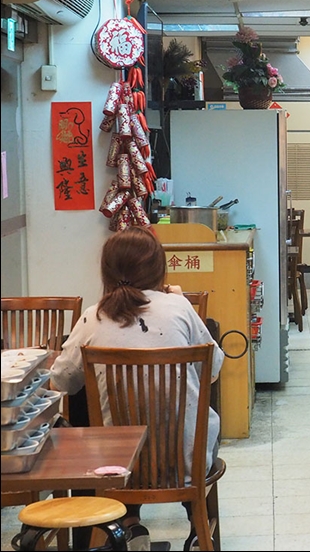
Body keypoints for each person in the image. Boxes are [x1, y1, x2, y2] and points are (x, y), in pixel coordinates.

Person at [51, 227, 224, 551]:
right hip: (186, 463)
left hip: (115, 469)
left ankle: (130, 525)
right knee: (186, 432)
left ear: (107, 271)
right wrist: (179, 297)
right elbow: (213, 368)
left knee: (115, 439)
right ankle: (196, 526)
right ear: (159, 268)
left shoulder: (93, 317)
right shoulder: (179, 308)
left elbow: (62, 381)